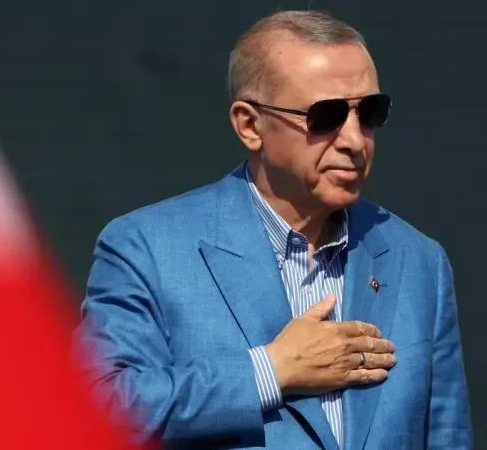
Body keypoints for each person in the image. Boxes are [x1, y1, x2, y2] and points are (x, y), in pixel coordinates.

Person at [72, 10, 472, 450]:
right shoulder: (147, 248)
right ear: (250, 125)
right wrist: (271, 370)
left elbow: (446, 434)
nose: (355, 140)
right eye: (327, 115)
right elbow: (92, 409)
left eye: (370, 112)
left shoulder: (418, 260)